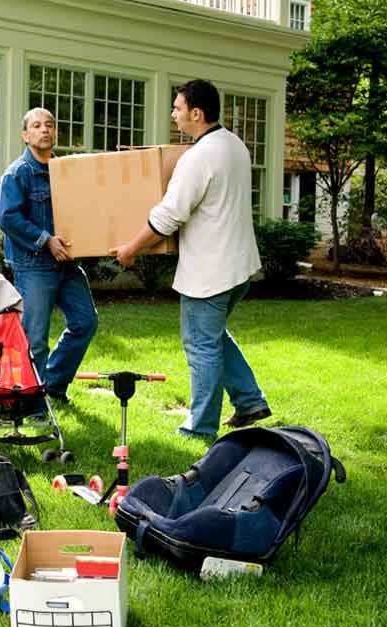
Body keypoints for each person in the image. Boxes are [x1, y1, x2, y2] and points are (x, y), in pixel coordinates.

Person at [109, 79, 270, 440]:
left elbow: (169, 215)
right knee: (213, 337)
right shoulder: (235, 146)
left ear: (196, 113)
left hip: (209, 272)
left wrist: (131, 249)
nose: (173, 114)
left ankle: (200, 428)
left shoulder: (198, 157)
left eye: (177, 108)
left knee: (201, 345)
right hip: (239, 266)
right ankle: (249, 400)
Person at [0, 107, 97, 405]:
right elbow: (8, 218)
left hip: (67, 264)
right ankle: (31, 405)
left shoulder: (65, 172)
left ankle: (52, 384)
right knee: (35, 339)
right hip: (34, 265)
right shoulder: (17, 174)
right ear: (26, 135)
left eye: (49, 125)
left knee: (85, 321)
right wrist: (45, 240)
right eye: (37, 126)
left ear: (55, 132)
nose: (44, 130)